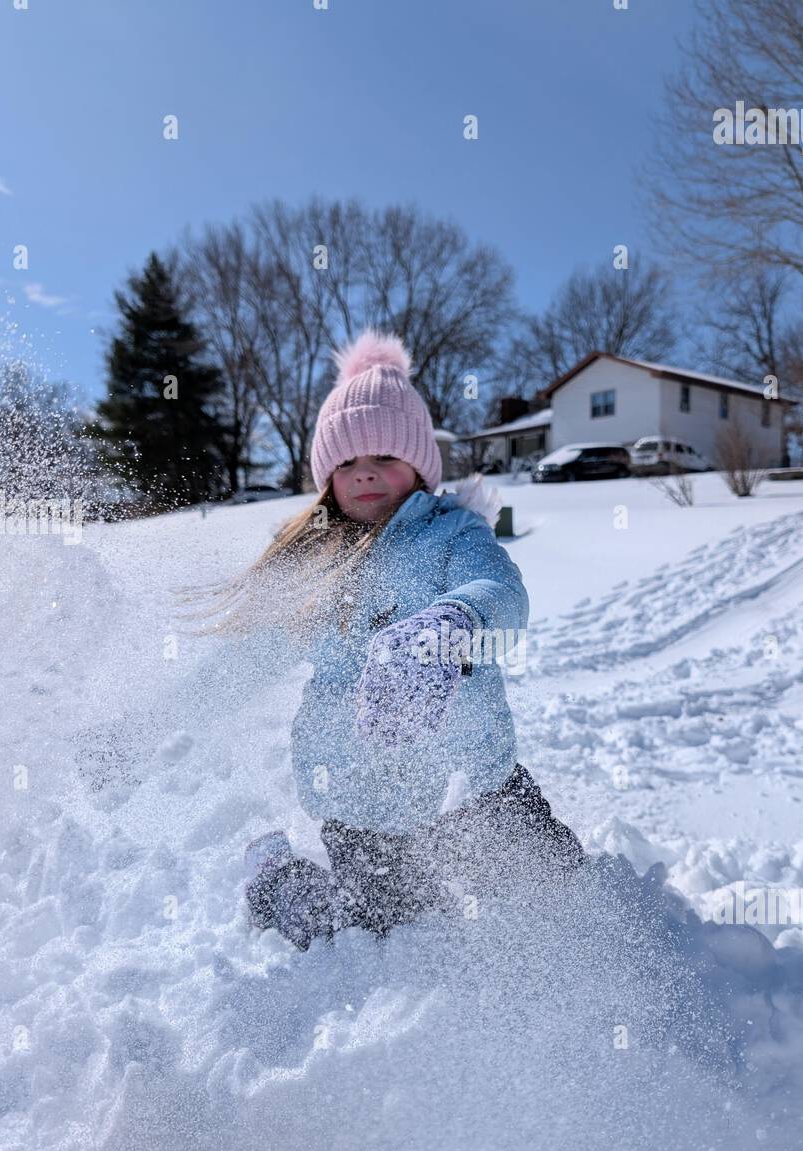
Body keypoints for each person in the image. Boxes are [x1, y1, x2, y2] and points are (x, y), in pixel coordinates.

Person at [176, 328, 585, 948]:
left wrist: (453, 622)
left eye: (384, 459)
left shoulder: (453, 534)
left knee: (561, 895)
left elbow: (503, 594)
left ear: (419, 465)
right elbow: (239, 665)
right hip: (364, 801)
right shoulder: (316, 568)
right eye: (345, 464)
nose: (364, 476)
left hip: (476, 780)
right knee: (389, 933)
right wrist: (141, 731)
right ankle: (279, 884)